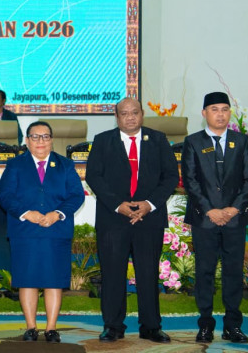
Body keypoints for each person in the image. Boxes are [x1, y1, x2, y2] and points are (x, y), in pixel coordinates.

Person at [85, 97, 179, 343]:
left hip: (149, 219)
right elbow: (94, 176)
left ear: (142, 114)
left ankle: (151, 326)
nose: (130, 117)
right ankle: (113, 326)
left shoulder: (158, 140)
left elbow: (171, 176)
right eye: (124, 113)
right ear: (116, 117)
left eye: (134, 112)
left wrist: (149, 204)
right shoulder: (103, 140)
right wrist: (119, 205)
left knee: (148, 274)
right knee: (112, 274)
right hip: (113, 219)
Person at [0, 121, 84, 343]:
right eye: (35, 137)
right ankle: (31, 328)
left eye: (45, 136)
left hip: (56, 230)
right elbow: (5, 195)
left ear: (52, 140)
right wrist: (26, 213)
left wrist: (58, 214)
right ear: (27, 141)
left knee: (53, 280)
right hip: (25, 230)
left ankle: (51, 328)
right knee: (28, 279)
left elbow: (76, 195)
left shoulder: (65, 165)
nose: (40, 141)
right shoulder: (15, 165)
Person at [182, 92, 248, 344]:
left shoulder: (241, 141)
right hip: (205, 219)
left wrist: (234, 209)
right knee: (204, 272)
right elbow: (190, 181)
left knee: (233, 272)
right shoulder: (192, 142)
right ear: (204, 113)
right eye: (214, 109)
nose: (220, 114)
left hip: (235, 219)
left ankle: (232, 326)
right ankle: (205, 325)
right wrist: (210, 210)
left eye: (225, 109)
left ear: (230, 113)